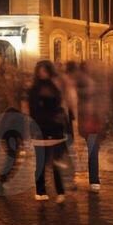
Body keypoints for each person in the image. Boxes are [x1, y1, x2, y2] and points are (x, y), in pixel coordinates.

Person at [26, 62, 69, 202]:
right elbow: (33, 109)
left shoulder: (54, 87)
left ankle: (60, 191)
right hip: (40, 128)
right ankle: (40, 190)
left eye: (45, 70)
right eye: (40, 71)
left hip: (54, 129)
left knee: (57, 161)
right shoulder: (34, 89)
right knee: (41, 162)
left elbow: (59, 104)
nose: (42, 73)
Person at [77, 67, 106, 190]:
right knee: (93, 152)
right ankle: (94, 179)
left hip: (93, 126)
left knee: (93, 152)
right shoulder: (89, 93)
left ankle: (93, 179)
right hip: (92, 126)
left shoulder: (90, 93)